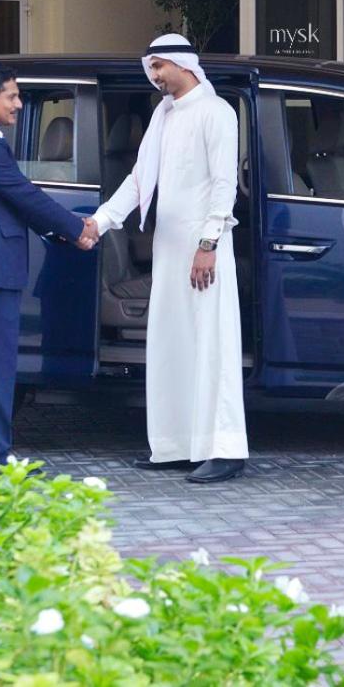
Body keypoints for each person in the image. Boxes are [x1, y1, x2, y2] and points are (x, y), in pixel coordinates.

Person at [93, 34, 248, 484]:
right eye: (151, 67)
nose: (154, 75)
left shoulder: (216, 112)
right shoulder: (163, 114)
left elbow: (223, 186)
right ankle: (176, 446)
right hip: (168, 249)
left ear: (184, 65)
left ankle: (223, 448)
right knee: (171, 343)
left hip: (205, 252)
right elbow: (140, 180)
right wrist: (100, 223)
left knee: (212, 345)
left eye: (159, 66)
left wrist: (208, 245)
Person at [0, 61, 99, 478]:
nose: (18, 104)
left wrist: (65, 233)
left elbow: (15, 202)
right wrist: (76, 228)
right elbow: (24, 194)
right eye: (12, 96)